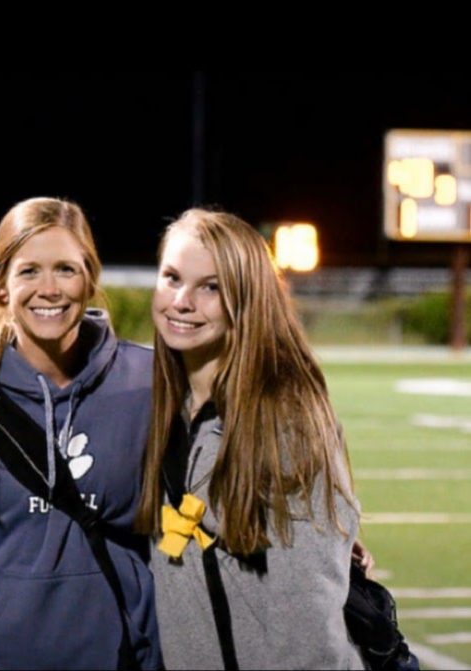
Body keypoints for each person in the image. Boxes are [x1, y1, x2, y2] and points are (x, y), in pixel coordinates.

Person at [136, 208, 364, 669]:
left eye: (211, 287)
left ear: (248, 298)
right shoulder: (166, 404)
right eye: (172, 277)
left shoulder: (285, 420)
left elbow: (307, 625)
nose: (182, 301)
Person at [0, 197, 163, 670]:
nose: (49, 289)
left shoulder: (149, 380)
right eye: (29, 272)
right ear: (0, 285)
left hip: (120, 655)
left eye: (65, 269)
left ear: (89, 277)